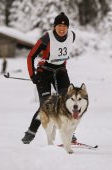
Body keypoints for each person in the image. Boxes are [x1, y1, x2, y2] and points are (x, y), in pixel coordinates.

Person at [22, 12, 77, 144]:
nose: (62, 29)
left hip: (60, 71)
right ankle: (31, 132)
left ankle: (70, 134)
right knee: (45, 104)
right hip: (44, 72)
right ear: (54, 27)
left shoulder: (72, 36)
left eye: (65, 26)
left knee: (67, 101)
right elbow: (31, 56)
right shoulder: (46, 38)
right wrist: (32, 75)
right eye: (59, 26)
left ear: (68, 27)